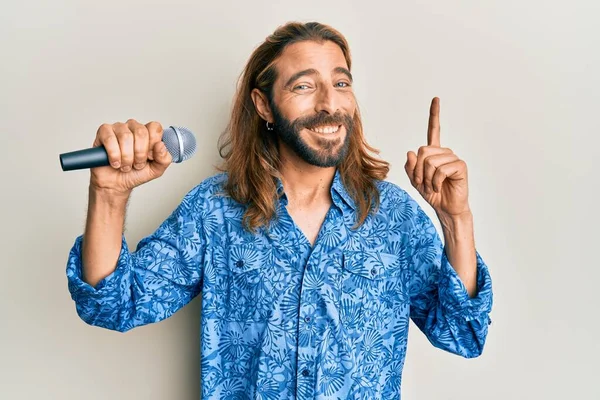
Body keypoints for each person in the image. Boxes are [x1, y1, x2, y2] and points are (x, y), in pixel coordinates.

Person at [66, 21, 493, 400]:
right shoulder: (214, 211)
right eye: (304, 86)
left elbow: (462, 333)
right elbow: (114, 305)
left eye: (341, 84)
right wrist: (109, 193)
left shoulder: (394, 216)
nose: (330, 103)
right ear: (264, 104)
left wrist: (456, 219)